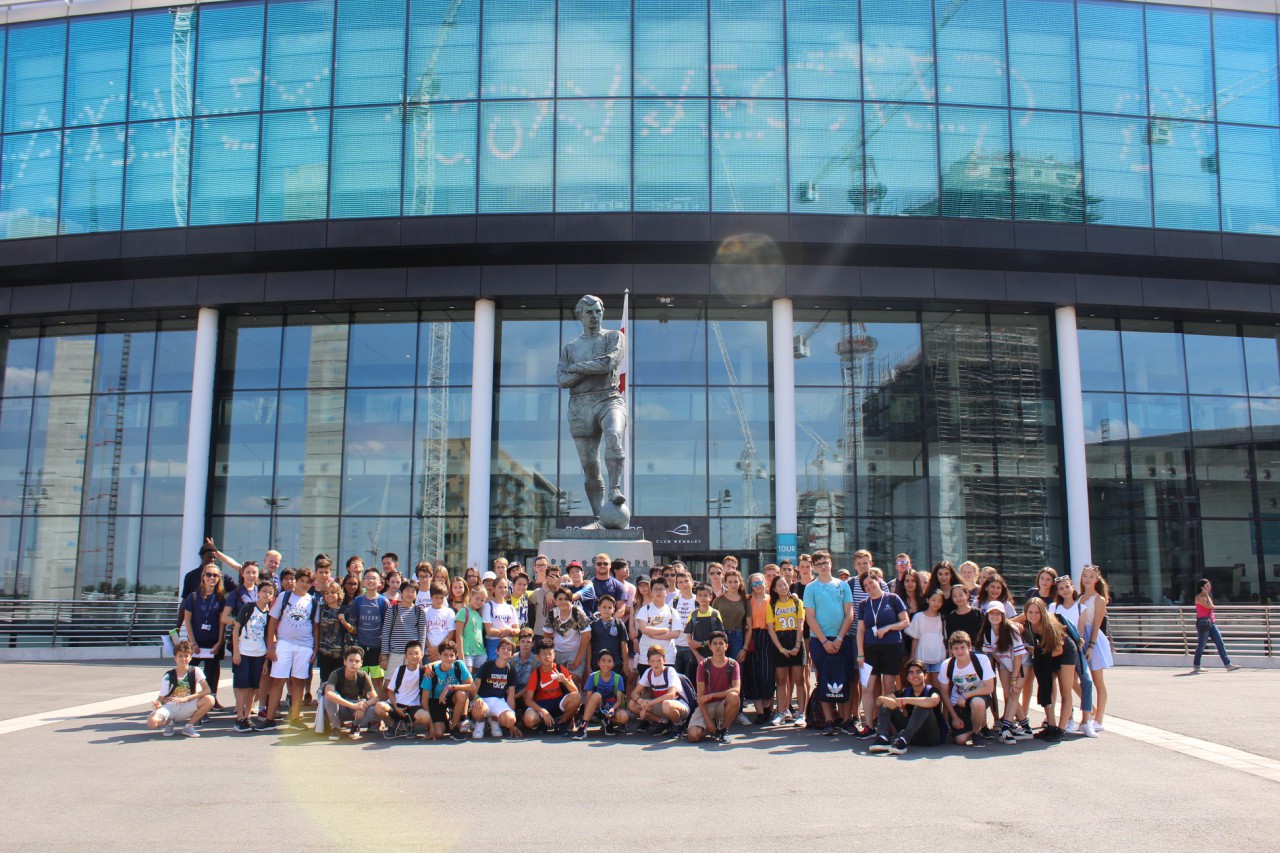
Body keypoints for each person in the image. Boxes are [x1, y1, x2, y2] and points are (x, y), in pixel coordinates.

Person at [557, 293, 628, 521]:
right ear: (580, 315)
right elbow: (562, 380)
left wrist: (575, 368)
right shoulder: (570, 348)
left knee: (613, 434)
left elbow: (608, 363)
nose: (595, 316)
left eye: (598, 311)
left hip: (609, 398)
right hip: (580, 406)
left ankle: (615, 488)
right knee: (590, 467)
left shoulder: (613, 337)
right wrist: (590, 368)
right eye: (589, 312)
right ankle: (599, 517)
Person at [260, 568, 320, 731]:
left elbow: (315, 627)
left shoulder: (313, 601)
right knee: (278, 680)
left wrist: (315, 648)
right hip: (284, 643)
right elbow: (272, 621)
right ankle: (270, 718)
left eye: (308, 582)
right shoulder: (284, 596)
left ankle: (295, 718)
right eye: (302, 581)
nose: (304, 584)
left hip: (304, 645)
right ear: (296, 581)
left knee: (298, 681)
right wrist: (271, 646)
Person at [803, 550, 855, 736]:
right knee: (824, 679)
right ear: (814, 568)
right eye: (819, 564)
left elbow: (849, 613)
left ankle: (846, 719)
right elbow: (810, 617)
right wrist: (824, 640)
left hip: (842, 639)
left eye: (825, 562)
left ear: (831, 563)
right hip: (820, 640)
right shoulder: (811, 588)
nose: (823, 566)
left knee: (846, 678)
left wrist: (839, 638)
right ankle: (829, 720)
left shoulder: (843, 585)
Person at [856, 568, 910, 738]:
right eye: (865, 585)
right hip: (870, 650)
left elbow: (905, 621)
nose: (869, 586)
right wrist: (860, 653)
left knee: (889, 688)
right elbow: (861, 630)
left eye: (871, 582)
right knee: (867, 687)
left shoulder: (893, 599)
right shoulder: (864, 604)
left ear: (878, 581)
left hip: (891, 648)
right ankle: (869, 726)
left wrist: (888, 628)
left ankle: (886, 726)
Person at [867, 658, 946, 756]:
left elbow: (934, 701)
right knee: (885, 706)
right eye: (911, 673)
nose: (915, 675)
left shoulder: (932, 690)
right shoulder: (905, 691)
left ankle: (903, 738)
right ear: (908, 678)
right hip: (911, 736)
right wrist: (883, 699)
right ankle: (883, 738)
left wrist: (907, 700)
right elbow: (878, 702)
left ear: (925, 675)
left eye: (918, 672)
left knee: (922, 705)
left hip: (930, 737)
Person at [978, 603, 1031, 744]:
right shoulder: (987, 632)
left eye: (998, 613)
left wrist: (1014, 675)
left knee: (1014, 694)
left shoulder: (1011, 629)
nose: (994, 616)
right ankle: (1026, 728)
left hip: (1022, 664)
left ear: (1003, 615)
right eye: (991, 613)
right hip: (1005, 665)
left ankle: (1005, 728)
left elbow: (1019, 656)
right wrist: (1003, 664)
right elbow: (992, 653)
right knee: (1008, 695)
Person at [1024, 597, 1074, 743]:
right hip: (1046, 652)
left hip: (1064, 652)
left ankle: (1061, 730)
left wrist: (1039, 655)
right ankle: (1051, 726)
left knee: (1065, 691)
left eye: (1037, 612)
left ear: (1043, 612)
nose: (1033, 615)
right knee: (1046, 687)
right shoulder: (1029, 622)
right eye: (1030, 612)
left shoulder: (1049, 625)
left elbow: (1058, 650)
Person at [181, 561, 228, 712]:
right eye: (209, 575)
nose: (212, 578)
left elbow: (222, 622)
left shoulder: (220, 598)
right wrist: (193, 642)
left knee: (212, 672)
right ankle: (188, 700)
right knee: (191, 672)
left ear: (219, 578)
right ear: (203, 577)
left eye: (215, 575)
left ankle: (211, 699)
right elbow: (187, 620)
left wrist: (219, 642)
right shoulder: (193, 597)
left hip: (213, 641)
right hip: (196, 641)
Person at [937, 631, 995, 748]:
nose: (959, 651)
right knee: (960, 740)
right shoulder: (947, 665)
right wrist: (954, 717)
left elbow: (989, 688)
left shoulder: (981, 659)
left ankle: (976, 732)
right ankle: (977, 724)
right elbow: (944, 693)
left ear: (969, 647)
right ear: (951, 650)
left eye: (962, 647)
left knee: (977, 703)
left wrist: (965, 696)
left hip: (978, 696)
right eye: (956, 648)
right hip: (958, 703)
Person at [231, 581, 275, 732]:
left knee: (252, 688)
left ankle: (247, 717)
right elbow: (236, 629)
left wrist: (265, 662)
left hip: (259, 654)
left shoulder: (269, 614)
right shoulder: (248, 608)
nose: (267, 594)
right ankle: (239, 718)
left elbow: (268, 637)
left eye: (270, 592)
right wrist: (236, 652)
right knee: (242, 687)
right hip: (244, 652)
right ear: (258, 593)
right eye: (264, 591)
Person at [147, 640, 215, 737]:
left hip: (187, 705)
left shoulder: (195, 671)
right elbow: (161, 698)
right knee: (152, 723)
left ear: (190, 657)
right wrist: (157, 705)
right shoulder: (168, 676)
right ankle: (169, 722)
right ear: (175, 658)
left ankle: (189, 726)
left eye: (186, 656)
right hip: (170, 707)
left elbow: (207, 690)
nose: (183, 659)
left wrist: (186, 698)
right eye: (180, 656)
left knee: (210, 699)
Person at [1078, 564, 1115, 733]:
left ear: (1097, 579)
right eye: (1085, 576)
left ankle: (1099, 718)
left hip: (1094, 639)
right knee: (1079, 680)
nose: (1087, 579)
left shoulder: (1099, 599)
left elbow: (1097, 624)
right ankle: (1092, 710)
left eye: (1091, 576)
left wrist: (1091, 646)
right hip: (1080, 638)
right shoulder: (1079, 597)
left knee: (1098, 681)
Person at [687, 631, 742, 744]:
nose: (718, 646)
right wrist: (707, 721)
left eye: (721, 643)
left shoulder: (733, 664)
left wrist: (712, 695)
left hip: (723, 705)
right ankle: (712, 725)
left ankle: (723, 730)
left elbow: (736, 689)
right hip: (707, 705)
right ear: (710, 647)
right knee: (693, 736)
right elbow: (700, 697)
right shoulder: (703, 665)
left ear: (726, 646)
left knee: (734, 696)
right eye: (715, 643)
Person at [766, 574, 806, 726]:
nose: (783, 587)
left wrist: (797, 646)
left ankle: (801, 713)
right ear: (774, 589)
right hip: (780, 642)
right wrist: (781, 649)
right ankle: (782, 711)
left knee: (799, 679)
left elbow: (800, 625)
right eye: (779, 585)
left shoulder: (796, 602)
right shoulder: (772, 605)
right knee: (781, 680)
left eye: (785, 584)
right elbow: (771, 630)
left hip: (795, 639)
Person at [522, 637, 583, 736]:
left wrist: (565, 681)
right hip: (542, 704)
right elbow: (528, 700)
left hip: (559, 702)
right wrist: (542, 711)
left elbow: (575, 692)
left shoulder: (560, 669)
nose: (547, 657)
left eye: (550, 654)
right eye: (544, 654)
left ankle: (561, 723)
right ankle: (543, 722)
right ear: (538, 656)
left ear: (554, 655)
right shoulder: (536, 673)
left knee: (576, 697)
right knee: (529, 720)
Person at [374, 640, 431, 739]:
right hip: (396, 704)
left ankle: (410, 725)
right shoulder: (399, 670)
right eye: (410, 653)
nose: (413, 656)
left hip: (413, 706)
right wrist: (396, 707)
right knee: (379, 707)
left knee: (426, 717)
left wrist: (430, 665)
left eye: (416, 653)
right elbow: (390, 692)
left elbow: (441, 662)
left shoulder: (424, 671)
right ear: (406, 656)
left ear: (422, 655)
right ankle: (393, 725)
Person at [630, 645, 689, 738]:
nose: (656, 664)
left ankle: (678, 725)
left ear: (664, 661)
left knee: (667, 704)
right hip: (661, 706)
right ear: (648, 662)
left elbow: (671, 695)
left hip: (679, 706)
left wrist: (650, 703)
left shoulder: (670, 671)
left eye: (659, 660)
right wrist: (641, 702)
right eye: (652, 661)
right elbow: (634, 693)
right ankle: (663, 722)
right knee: (632, 704)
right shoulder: (648, 672)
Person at [470, 638, 522, 739]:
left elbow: (511, 696)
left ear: (512, 655)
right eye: (503, 648)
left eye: (509, 649)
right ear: (497, 651)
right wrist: (476, 698)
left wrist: (512, 725)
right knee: (478, 710)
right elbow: (475, 687)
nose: (505, 651)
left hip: (499, 701)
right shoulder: (487, 665)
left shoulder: (511, 670)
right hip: (483, 699)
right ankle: (479, 723)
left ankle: (494, 720)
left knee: (511, 720)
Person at [742, 572, 777, 724]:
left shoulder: (772, 599)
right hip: (751, 637)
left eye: (760, 582)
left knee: (767, 674)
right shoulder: (747, 600)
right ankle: (760, 712)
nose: (758, 586)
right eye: (754, 584)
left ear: (765, 583)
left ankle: (768, 708)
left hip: (768, 636)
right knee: (753, 674)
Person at [423, 639, 474, 740]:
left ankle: (454, 728)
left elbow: (472, 686)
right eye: (445, 655)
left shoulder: (459, 665)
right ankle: (444, 720)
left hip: (451, 697)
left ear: (456, 656)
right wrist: (431, 725)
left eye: (451, 655)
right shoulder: (431, 671)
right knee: (438, 734)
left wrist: (450, 687)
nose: (448, 658)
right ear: (439, 655)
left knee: (462, 694)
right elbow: (424, 701)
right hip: (436, 701)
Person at [323, 646, 378, 740]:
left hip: (358, 707)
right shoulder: (336, 674)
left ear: (361, 663)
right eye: (351, 660)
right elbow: (329, 693)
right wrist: (353, 706)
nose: (354, 664)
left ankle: (356, 725)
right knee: (329, 699)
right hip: (341, 707)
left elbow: (376, 698)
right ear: (345, 661)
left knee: (375, 708)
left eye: (357, 661)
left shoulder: (363, 675)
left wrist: (364, 706)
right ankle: (336, 727)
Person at [1192, 578, 1242, 674]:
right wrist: (1206, 595)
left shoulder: (1206, 596)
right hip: (1203, 624)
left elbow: (1211, 606)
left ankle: (1228, 665)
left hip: (1211, 623)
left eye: (1209, 585)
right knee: (1202, 645)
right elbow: (1211, 606)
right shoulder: (1199, 597)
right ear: (1202, 587)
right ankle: (1197, 665)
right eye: (1207, 586)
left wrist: (1207, 595)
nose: (1209, 587)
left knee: (1220, 643)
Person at [380, 582, 428, 681]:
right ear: (401, 592)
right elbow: (386, 633)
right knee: (389, 683)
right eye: (407, 591)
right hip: (395, 653)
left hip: (413, 655)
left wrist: (421, 654)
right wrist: (384, 655)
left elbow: (422, 635)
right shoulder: (392, 610)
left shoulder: (419, 612)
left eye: (413, 591)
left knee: (411, 682)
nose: (410, 594)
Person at [347, 567, 389, 682]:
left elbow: (387, 627)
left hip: (377, 648)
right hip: (361, 647)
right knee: (359, 680)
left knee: (378, 681)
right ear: (363, 581)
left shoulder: (383, 601)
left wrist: (384, 652)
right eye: (368, 578)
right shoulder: (358, 601)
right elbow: (354, 623)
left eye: (374, 578)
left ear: (380, 582)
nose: (370, 581)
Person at [543, 588, 593, 681]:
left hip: (575, 651)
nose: (563, 602)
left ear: (571, 600)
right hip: (557, 651)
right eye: (560, 599)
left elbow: (587, 636)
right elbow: (547, 636)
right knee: (557, 681)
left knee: (573, 679)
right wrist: (551, 655)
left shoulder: (577, 612)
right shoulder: (552, 614)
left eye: (566, 599)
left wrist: (578, 660)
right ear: (555, 601)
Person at [581, 648, 631, 737]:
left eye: (609, 661)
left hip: (612, 709)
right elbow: (588, 699)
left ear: (613, 664)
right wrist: (588, 714)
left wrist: (612, 709)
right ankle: (583, 727)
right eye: (603, 661)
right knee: (596, 695)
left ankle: (608, 722)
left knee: (624, 717)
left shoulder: (618, 678)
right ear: (598, 663)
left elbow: (619, 701)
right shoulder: (593, 676)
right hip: (598, 710)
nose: (606, 664)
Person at [634, 577, 679, 675]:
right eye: (655, 589)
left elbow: (675, 633)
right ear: (651, 591)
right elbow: (644, 629)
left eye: (661, 589)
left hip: (667, 657)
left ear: (667, 591)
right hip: (646, 658)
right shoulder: (644, 609)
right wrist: (665, 629)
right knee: (646, 683)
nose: (658, 592)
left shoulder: (672, 611)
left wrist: (654, 635)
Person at [907, 588, 948, 691]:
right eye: (933, 600)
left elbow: (945, 638)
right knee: (924, 688)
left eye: (939, 601)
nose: (936, 603)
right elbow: (915, 638)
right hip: (921, 657)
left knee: (938, 688)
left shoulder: (943, 618)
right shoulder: (918, 616)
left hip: (939, 657)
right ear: (927, 600)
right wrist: (912, 657)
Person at [682, 583, 725, 674]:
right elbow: (689, 639)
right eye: (700, 595)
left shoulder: (715, 614)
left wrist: (701, 644)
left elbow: (721, 637)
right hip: (696, 657)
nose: (702, 598)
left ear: (711, 597)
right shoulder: (693, 614)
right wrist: (697, 656)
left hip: (713, 656)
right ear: (696, 597)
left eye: (705, 595)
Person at [713, 568, 750, 665]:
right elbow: (712, 621)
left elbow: (749, 627)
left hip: (737, 636)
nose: (733, 584)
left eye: (735, 581)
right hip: (720, 635)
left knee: (736, 667)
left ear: (740, 582)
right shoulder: (718, 600)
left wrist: (745, 647)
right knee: (720, 665)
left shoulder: (745, 600)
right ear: (725, 583)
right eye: (730, 582)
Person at [314, 582, 349, 686]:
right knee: (324, 679)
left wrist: (344, 621)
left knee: (339, 680)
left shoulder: (345, 610)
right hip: (324, 651)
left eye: (333, 592)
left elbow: (352, 630)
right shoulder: (321, 609)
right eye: (326, 593)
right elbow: (316, 628)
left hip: (340, 652)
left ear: (339, 594)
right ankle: (322, 696)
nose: (329, 595)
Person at [590, 594, 630, 673]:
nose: (607, 610)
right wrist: (588, 666)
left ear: (613, 609)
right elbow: (589, 646)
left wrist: (625, 664)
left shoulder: (618, 624)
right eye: (604, 607)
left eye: (609, 607)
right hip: (597, 664)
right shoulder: (593, 625)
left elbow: (624, 645)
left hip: (615, 664)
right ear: (599, 607)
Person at [580, 552, 627, 619]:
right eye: (599, 564)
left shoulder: (618, 585)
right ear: (595, 565)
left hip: (610, 622)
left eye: (605, 564)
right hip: (591, 623)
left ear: (610, 565)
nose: (602, 566)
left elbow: (621, 610)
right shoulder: (587, 585)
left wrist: (608, 621)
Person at [944, 584, 983, 651]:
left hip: (976, 650)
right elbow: (950, 639)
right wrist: (951, 655)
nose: (958, 598)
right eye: (954, 596)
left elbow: (983, 634)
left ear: (967, 595)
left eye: (961, 595)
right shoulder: (951, 616)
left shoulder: (978, 613)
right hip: (959, 651)